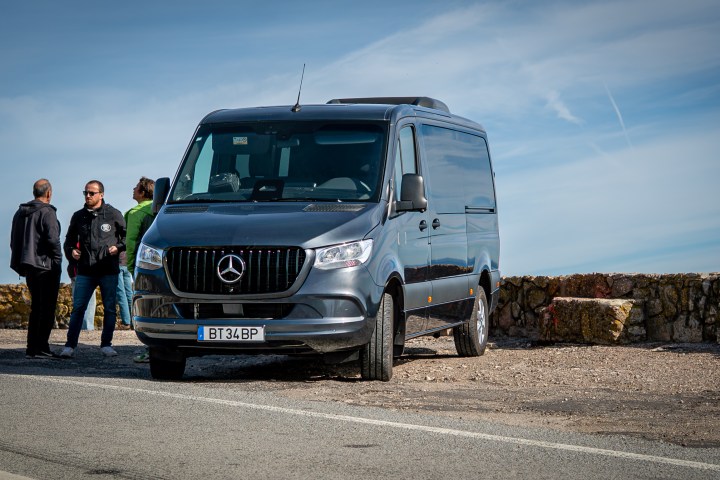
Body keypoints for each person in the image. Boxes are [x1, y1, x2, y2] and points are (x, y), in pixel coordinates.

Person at [60, 180, 126, 358]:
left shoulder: (113, 214)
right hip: (85, 271)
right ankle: (69, 346)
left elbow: (127, 238)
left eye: (92, 193)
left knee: (110, 309)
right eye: (86, 193)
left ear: (101, 195)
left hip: (108, 271)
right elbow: (68, 241)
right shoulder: (78, 216)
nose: (88, 196)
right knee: (78, 308)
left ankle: (106, 344)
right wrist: (71, 251)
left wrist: (118, 248)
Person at [10, 179, 62, 358]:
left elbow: (13, 240)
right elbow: (53, 239)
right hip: (46, 266)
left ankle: (32, 347)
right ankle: (40, 347)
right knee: (46, 308)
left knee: (36, 307)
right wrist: (58, 260)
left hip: (28, 265)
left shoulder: (21, 212)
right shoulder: (47, 212)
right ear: (48, 193)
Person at [124, 177, 154, 362]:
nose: (133, 189)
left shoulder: (135, 213)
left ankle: (149, 350)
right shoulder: (160, 209)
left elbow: (131, 241)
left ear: (142, 192)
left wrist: (130, 266)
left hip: (141, 265)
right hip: (156, 263)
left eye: (136, 188)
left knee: (144, 310)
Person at [67, 255, 98, 330]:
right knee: (88, 301)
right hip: (83, 272)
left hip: (79, 272)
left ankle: (82, 327)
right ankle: (86, 327)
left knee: (79, 301)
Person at [116, 250, 132, 328]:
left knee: (121, 294)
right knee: (129, 293)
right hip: (127, 263)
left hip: (119, 264)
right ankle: (133, 321)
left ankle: (126, 322)